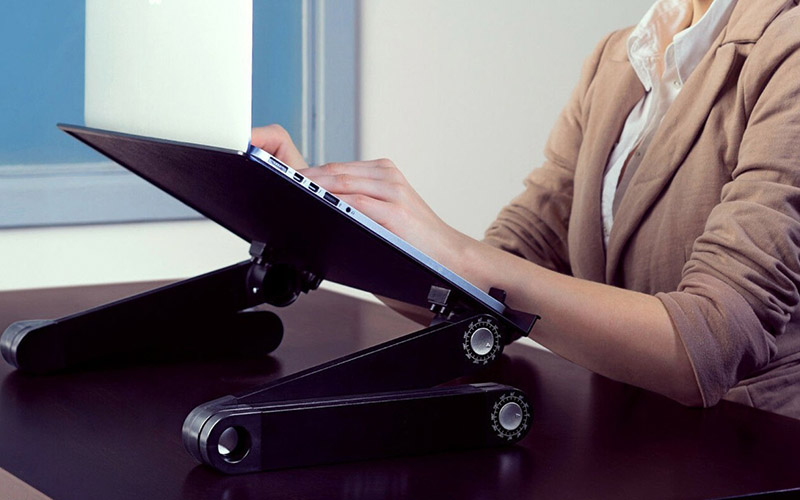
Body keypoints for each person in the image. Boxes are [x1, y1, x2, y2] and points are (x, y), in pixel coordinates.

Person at [252, 0, 800, 418]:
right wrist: (334, 224)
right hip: (627, 441)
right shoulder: (618, 59)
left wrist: (455, 249)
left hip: (752, 451)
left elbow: (712, 343)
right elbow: (489, 284)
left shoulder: (787, 49)